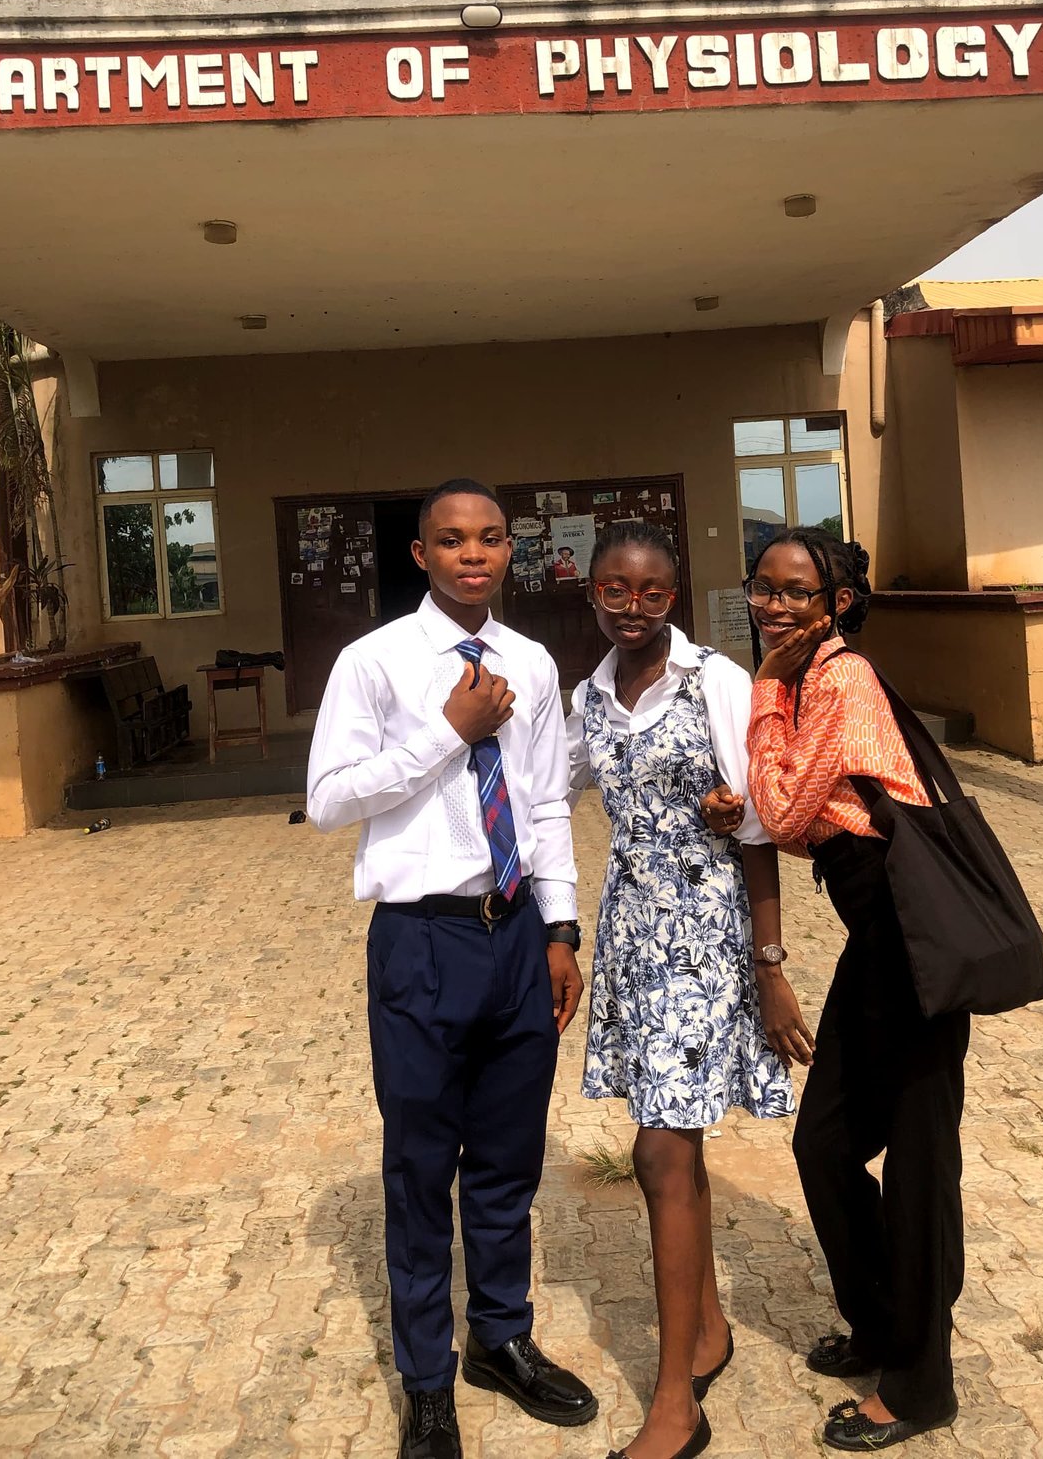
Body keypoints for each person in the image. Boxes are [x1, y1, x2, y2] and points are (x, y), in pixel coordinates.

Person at [307, 479, 598, 1459]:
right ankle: (427, 1380)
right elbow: (328, 800)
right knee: (421, 1168)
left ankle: (500, 1339)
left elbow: (546, 802)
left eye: (490, 538)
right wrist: (448, 732)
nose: (473, 554)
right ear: (421, 554)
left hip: (515, 933)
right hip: (422, 940)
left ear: (509, 549)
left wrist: (560, 930)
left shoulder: (532, 662)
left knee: (508, 1161)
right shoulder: (374, 662)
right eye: (451, 539)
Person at [706, 525, 967, 1452]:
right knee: (824, 1144)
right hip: (878, 942)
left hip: (915, 943)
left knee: (920, 1161)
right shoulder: (808, 679)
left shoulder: (839, 679)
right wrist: (747, 796)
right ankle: (880, 1323)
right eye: (763, 587)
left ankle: (922, 1384)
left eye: (795, 591)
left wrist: (762, 691)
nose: (774, 604)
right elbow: (793, 814)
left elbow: (784, 812)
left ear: (838, 604)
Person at [567, 521, 798, 1459]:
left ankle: (676, 1404)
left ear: (677, 593)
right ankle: (706, 1329)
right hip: (632, 932)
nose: (633, 608)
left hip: (704, 938)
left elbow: (760, 828)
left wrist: (771, 967)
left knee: (661, 1151)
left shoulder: (716, 681)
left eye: (653, 592)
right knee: (673, 1139)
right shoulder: (587, 694)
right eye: (615, 591)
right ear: (592, 592)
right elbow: (546, 790)